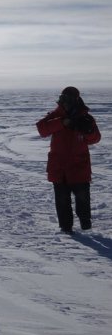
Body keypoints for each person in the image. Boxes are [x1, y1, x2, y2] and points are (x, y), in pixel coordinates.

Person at [36, 86, 101, 234]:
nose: (66, 102)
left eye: (69, 99)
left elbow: (95, 138)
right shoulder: (55, 116)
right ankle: (66, 228)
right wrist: (61, 122)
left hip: (79, 167)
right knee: (62, 200)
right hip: (59, 169)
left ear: (76, 100)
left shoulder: (85, 118)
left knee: (83, 200)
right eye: (64, 99)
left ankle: (86, 226)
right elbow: (42, 129)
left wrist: (88, 131)